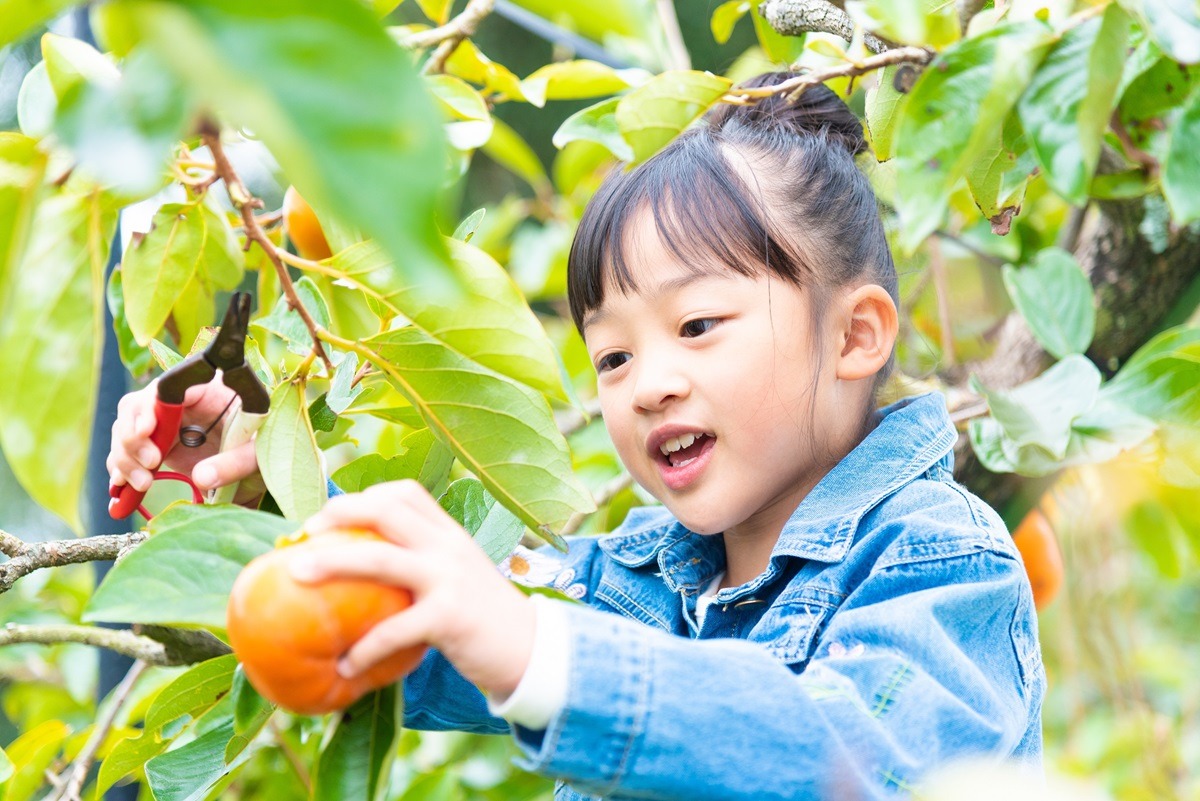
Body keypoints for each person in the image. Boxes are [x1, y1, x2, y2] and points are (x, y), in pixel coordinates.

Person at [107, 72, 1045, 800]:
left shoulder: (940, 559)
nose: (648, 385)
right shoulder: (632, 583)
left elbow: (856, 759)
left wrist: (538, 648)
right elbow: (410, 622)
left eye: (697, 325)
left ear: (853, 335)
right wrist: (251, 486)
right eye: (613, 357)